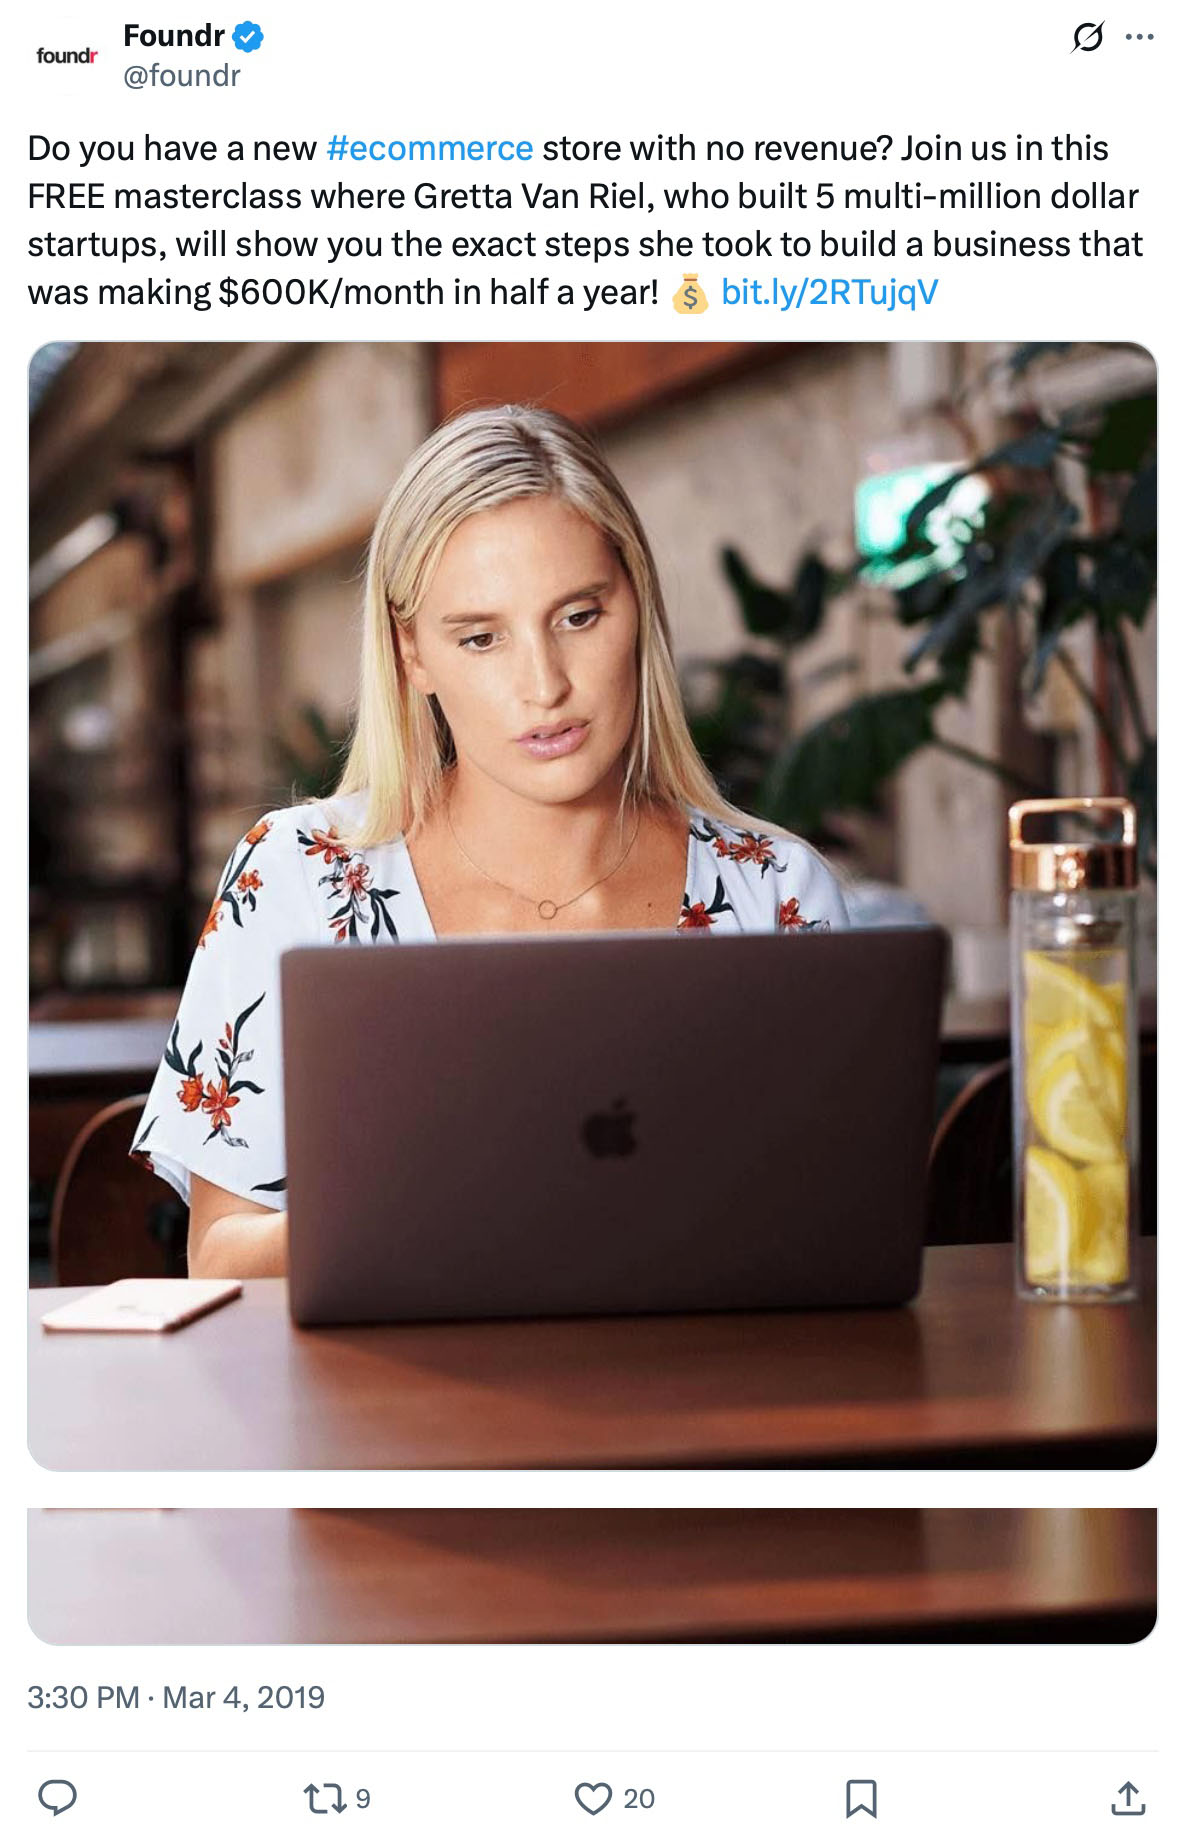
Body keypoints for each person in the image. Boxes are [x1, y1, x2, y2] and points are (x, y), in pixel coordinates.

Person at [131, 406, 849, 1277]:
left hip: (700, 1396)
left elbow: (830, 1228)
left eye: (579, 617)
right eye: (480, 637)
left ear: (638, 605)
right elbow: (221, 1254)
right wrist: (440, 1207)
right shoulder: (295, 880)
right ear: (413, 656)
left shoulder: (776, 890)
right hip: (388, 1407)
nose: (543, 685)